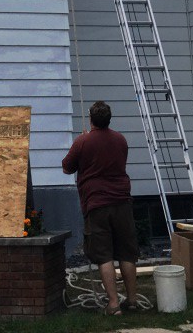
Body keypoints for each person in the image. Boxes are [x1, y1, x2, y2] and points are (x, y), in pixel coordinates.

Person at [62, 100, 139, 315]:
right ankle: (132, 301)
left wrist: (85, 142)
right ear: (109, 118)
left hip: (97, 204)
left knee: (104, 255)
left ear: (91, 119)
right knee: (126, 253)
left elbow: (67, 168)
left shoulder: (83, 141)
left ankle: (113, 304)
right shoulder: (120, 139)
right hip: (122, 201)